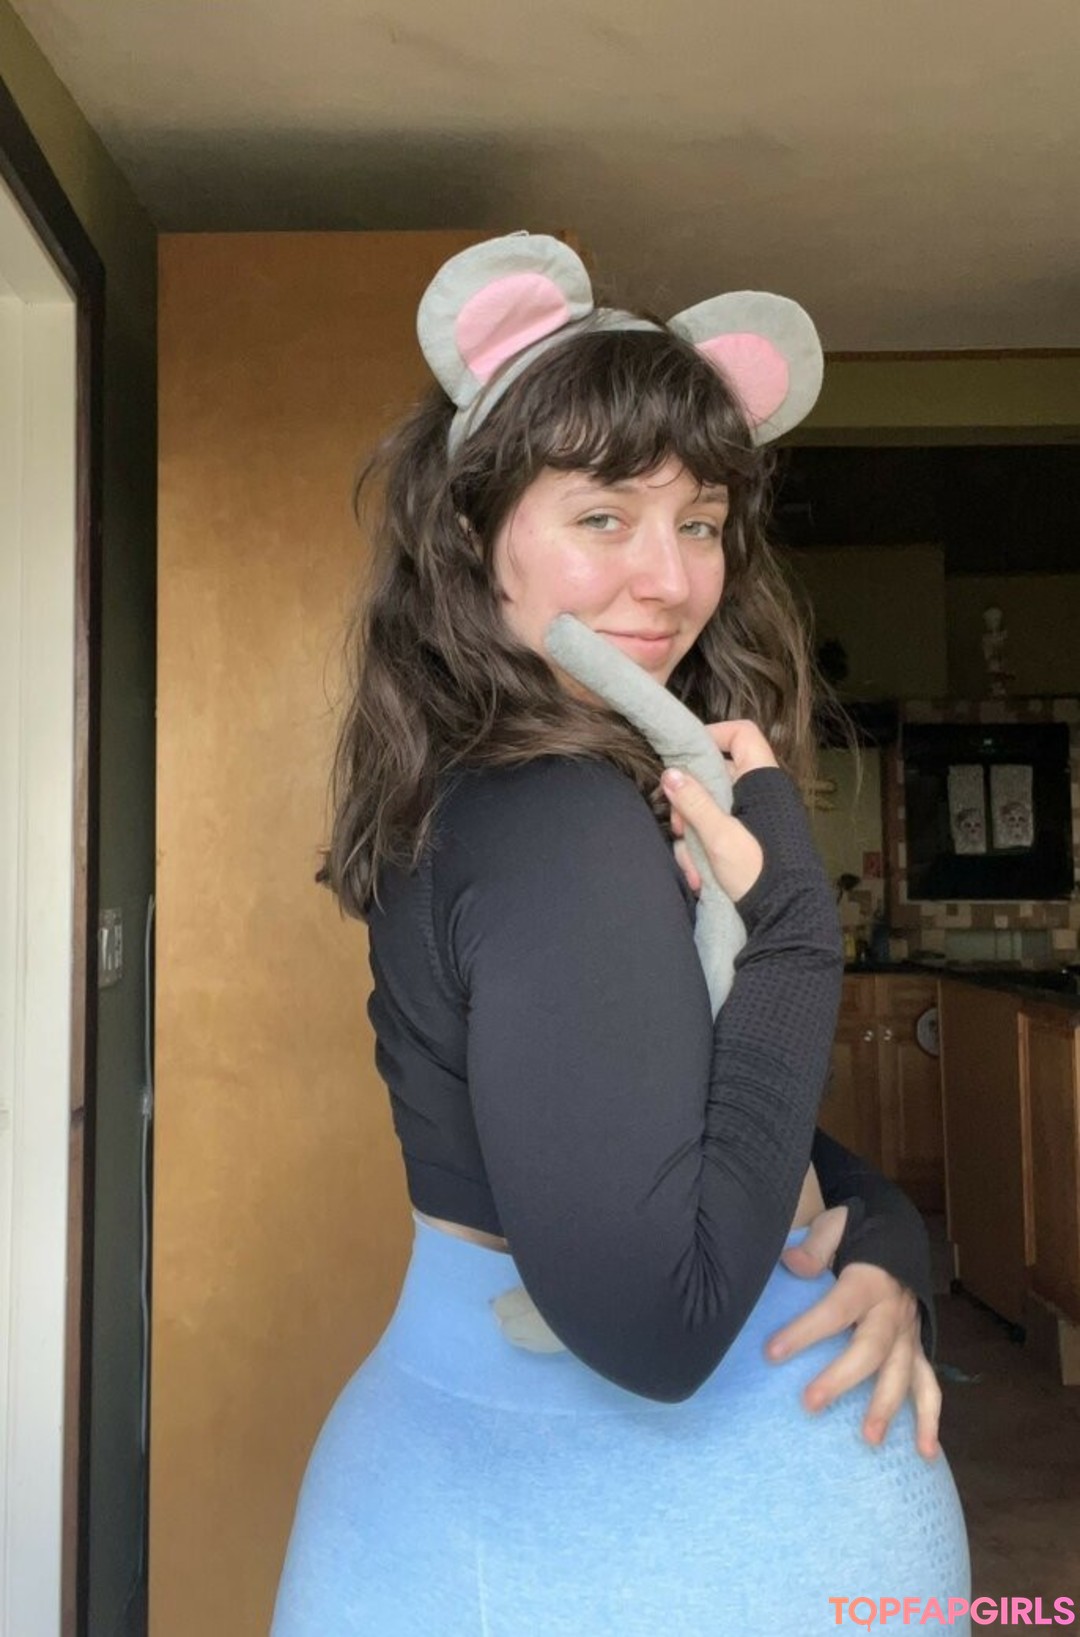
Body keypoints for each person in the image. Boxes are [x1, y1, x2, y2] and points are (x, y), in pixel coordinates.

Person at [272, 234, 969, 1635]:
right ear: (472, 537)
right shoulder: (556, 820)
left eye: (700, 523)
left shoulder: (561, 790)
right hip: (577, 1562)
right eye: (603, 516)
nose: (669, 580)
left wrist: (886, 1231)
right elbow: (663, 1326)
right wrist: (794, 938)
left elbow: (704, 1127)